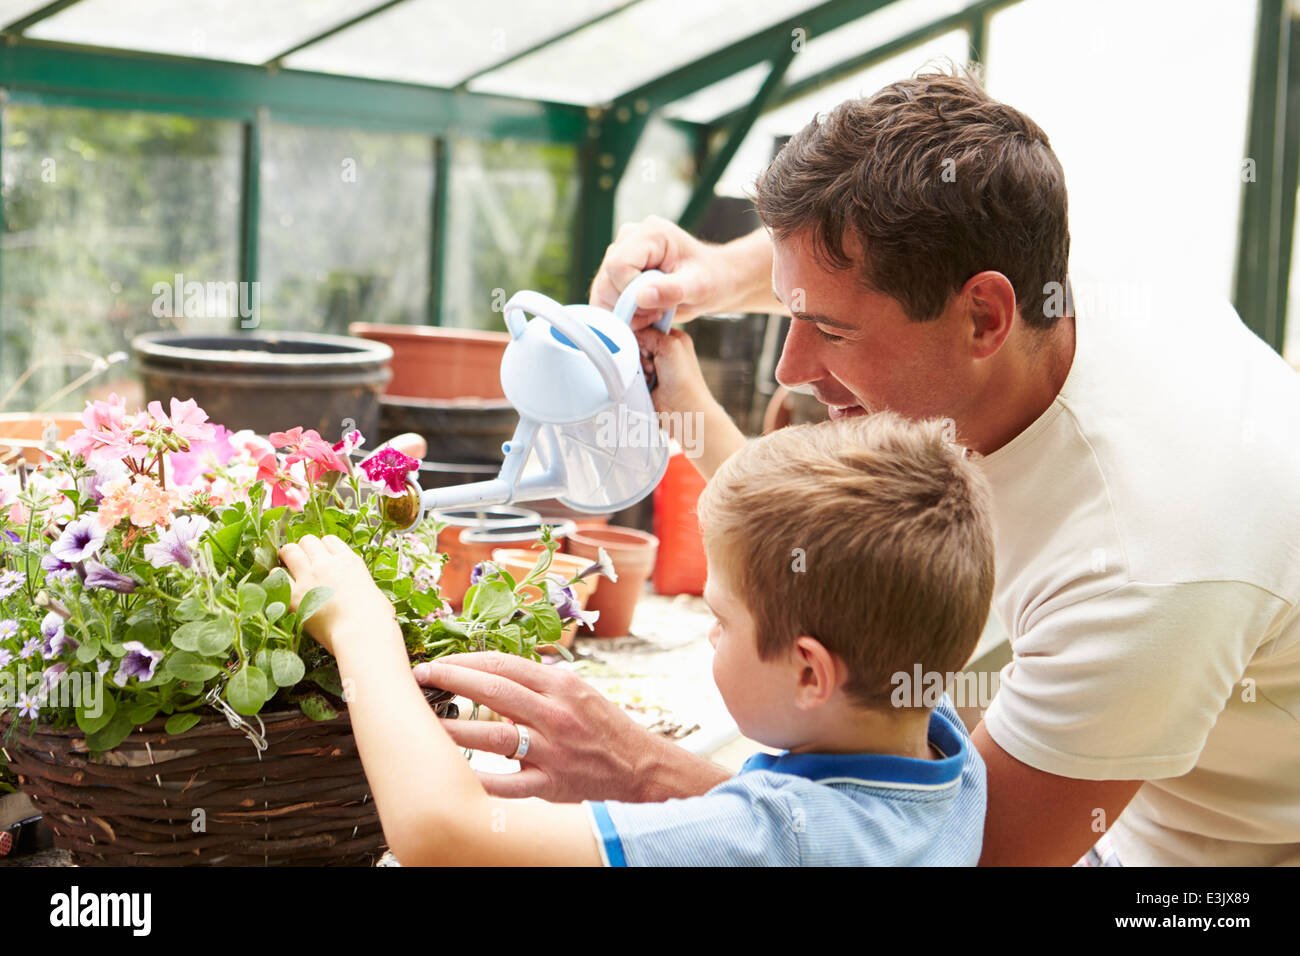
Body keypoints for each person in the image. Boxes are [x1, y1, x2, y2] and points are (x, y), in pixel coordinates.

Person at [426, 67, 1300, 867]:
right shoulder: (1029, 238)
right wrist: (710, 276)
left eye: (832, 333)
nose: (788, 370)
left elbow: (946, 856)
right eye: (793, 311)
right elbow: (857, 269)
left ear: (984, 318)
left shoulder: (1145, 562)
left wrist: (650, 775)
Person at [278, 413, 993, 865]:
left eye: (720, 618)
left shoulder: (765, 837)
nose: (708, 630)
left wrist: (364, 634)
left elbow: (441, 835)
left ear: (810, 673)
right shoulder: (950, 758)